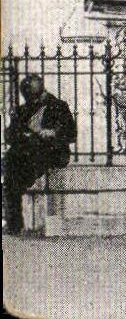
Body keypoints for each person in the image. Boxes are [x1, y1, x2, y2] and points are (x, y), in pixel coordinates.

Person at [3, 74, 76, 234]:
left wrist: (53, 132)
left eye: (37, 95)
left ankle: (15, 223)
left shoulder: (58, 107)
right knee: (11, 166)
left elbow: (71, 133)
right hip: (26, 154)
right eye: (31, 96)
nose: (34, 100)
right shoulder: (22, 110)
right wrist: (24, 135)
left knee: (15, 169)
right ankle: (14, 223)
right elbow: (9, 135)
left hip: (52, 152)